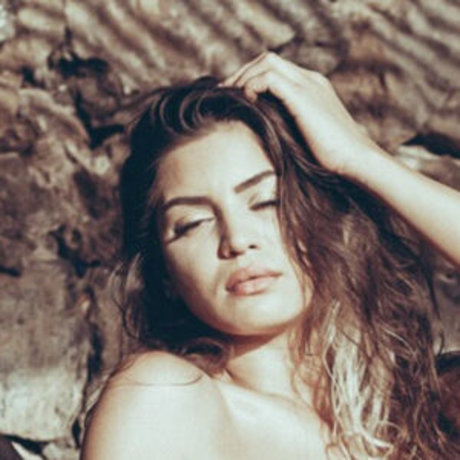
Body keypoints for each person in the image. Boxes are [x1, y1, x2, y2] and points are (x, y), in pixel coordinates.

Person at [81, 53, 460, 459]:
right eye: (192, 223)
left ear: (331, 220)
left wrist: (361, 157)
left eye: (266, 202)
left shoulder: (421, 411)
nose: (237, 239)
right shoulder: (167, 399)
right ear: (164, 275)